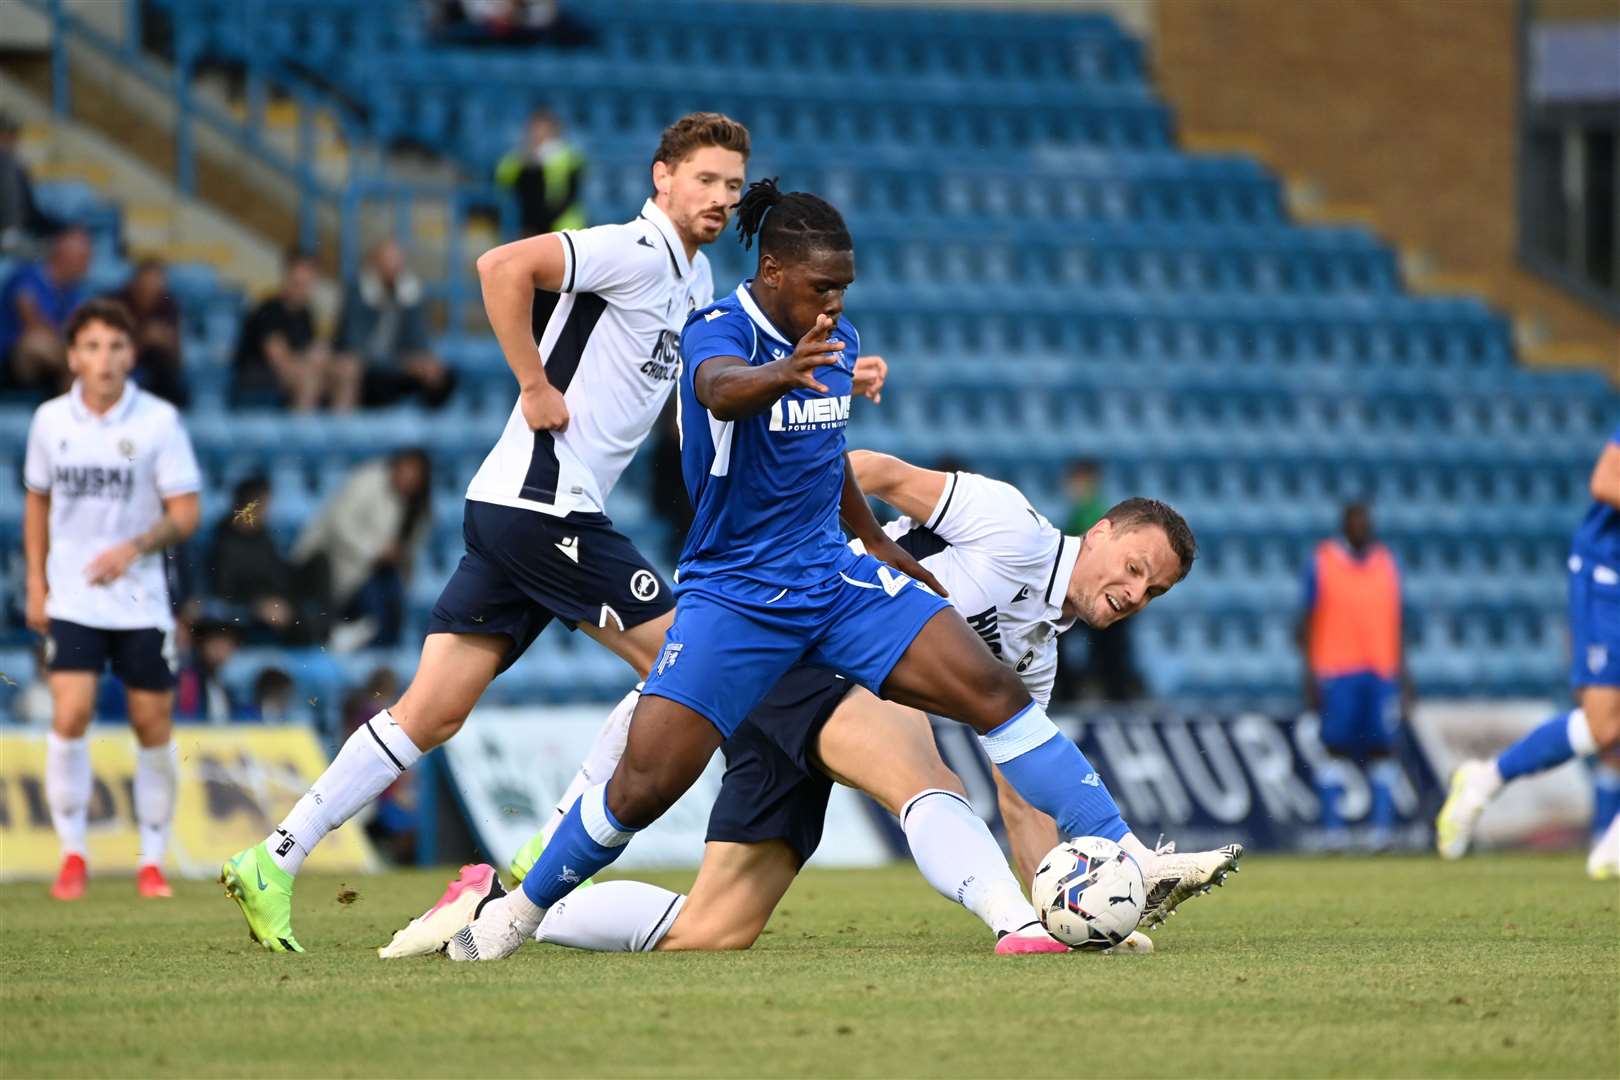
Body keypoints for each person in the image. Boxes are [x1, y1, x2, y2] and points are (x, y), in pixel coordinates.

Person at [448, 181, 1205, 963]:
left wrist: (876, 544)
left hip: (833, 579)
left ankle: (1127, 855)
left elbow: (826, 458)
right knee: (645, 786)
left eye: (843, 288)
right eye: (821, 287)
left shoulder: (834, 343)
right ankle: (517, 912)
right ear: (772, 269)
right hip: (737, 591)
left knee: (995, 692)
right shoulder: (717, 330)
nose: (834, 303)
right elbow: (715, 390)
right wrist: (781, 373)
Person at [218, 112, 767, 952]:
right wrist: (533, 382)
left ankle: (275, 855)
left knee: (428, 713)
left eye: (731, 185)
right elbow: (500, 263)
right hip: (544, 509)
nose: (719, 198)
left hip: (524, 510)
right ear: (662, 178)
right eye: (704, 180)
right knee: (681, 661)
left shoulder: (696, 285)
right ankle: (548, 843)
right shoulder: (629, 249)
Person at [389, 453, 1236, 960]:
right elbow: (867, 469)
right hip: (800, 642)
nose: (1133, 592)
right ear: (1099, 534)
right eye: (1131, 566)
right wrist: (846, 555)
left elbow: (1020, 802)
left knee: (713, 930)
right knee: (915, 764)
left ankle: (500, 908)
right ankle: (1013, 922)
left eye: (1150, 591)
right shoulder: (1009, 522)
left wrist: (1079, 911)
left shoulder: (1034, 655)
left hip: (806, 698)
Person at [22, 298, 201, 900]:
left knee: (152, 722)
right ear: (73, 355)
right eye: (93, 347)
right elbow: (37, 501)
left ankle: (151, 859)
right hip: (72, 596)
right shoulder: (50, 421)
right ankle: (73, 853)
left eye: (116, 347)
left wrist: (135, 546)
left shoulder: (157, 422)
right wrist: (37, 583)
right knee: (69, 714)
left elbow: (186, 512)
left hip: (139, 601)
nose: (105, 359)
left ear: (131, 354)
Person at [1438, 425, 1620, 879]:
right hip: (1607, 575)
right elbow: (1604, 480)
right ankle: (1485, 779)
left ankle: (1614, 845)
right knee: (1604, 725)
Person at [1297, 502, 1412, 849]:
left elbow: (1397, 622)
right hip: (1336, 669)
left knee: (1383, 750)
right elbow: (1305, 620)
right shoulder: (1323, 561)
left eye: (1365, 521)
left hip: (1380, 669)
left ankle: (1381, 832)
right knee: (1334, 749)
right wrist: (1309, 674)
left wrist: (1406, 678)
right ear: (1344, 525)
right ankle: (1334, 832)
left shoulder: (1387, 563)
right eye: (1355, 522)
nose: (1361, 527)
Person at [290, 449, 433, 648]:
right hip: (340, 560)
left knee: (393, 610)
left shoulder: (417, 508)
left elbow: (411, 549)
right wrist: (376, 549)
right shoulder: (367, 481)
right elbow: (338, 524)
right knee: (374, 612)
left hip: (384, 572)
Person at [208, 474, 331, 645]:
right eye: (264, 504)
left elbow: (278, 572)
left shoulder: (263, 535)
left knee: (319, 563)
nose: (268, 511)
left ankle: (332, 630)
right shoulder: (224, 543)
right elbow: (224, 590)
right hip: (253, 607)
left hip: (279, 597)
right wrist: (258, 605)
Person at [1055, 458, 1140, 702]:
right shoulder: (1093, 511)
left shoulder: (1092, 514)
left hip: (1098, 592)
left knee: (1064, 637)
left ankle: (1069, 695)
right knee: (1110, 650)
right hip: (1107, 592)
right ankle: (1114, 697)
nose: (1072, 487)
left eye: (1077, 481)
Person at [333, 240, 455, 409]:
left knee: (439, 373)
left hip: (396, 371)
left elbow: (420, 340)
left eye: (397, 263)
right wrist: (402, 363)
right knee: (349, 369)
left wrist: (421, 362)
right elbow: (357, 347)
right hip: (367, 372)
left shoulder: (411, 293)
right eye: (387, 262)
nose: (393, 268)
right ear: (376, 264)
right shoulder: (358, 293)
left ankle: (427, 428)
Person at [232, 250, 358, 411]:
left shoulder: (306, 313)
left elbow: (307, 351)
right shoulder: (269, 309)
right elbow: (279, 360)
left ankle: (343, 431)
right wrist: (312, 359)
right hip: (259, 374)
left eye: (307, 283)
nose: (302, 287)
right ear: (287, 277)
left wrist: (322, 357)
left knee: (347, 368)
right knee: (310, 378)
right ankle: (304, 434)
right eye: (298, 282)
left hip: (297, 369)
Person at [0, 225, 91, 395]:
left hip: (54, 365)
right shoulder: (27, 276)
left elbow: (76, 330)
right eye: (83, 258)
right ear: (63, 255)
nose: (87, 265)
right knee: (37, 342)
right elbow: (32, 324)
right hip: (13, 359)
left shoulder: (73, 292)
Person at [496, 108, 587, 238]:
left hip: (562, 225)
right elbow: (503, 182)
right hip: (528, 225)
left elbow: (568, 196)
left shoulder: (569, 157)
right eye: (535, 129)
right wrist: (525, 159)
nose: (539, 134)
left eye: (544, 129)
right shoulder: (519, 157)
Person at [112, 258, 188, 408]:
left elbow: (178, 360)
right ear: (135, 284)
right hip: (121, 372)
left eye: (155, 287)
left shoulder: (168, 306)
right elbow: (107, 356)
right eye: (145, 286)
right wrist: (142, 339)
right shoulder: (115, 305)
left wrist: (166, 342)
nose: (149, 291)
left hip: (155, 373)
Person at [0, 109, 63, 257]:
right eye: (5, 136)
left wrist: (56, 231)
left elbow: (31, 212)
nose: (10, 141)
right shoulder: (7, 163)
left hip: (21, 233)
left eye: (12, 136)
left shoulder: (15, 166)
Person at [174, 616, 246, 724]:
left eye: (227, 643)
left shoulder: (229, 683)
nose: (220, 649)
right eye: (215, 643)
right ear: (202, 645)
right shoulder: (188, 680)